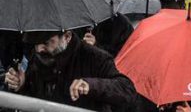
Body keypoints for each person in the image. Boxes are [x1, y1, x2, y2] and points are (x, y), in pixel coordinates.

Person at [4, 30, 137, 111]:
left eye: (47, 42)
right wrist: (21, 85)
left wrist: (91, 85)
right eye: (36, 43)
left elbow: (127, 90)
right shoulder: (37, 56)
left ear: (67, 37)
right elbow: (34, 96)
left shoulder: (95, 57)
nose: (39, 49)